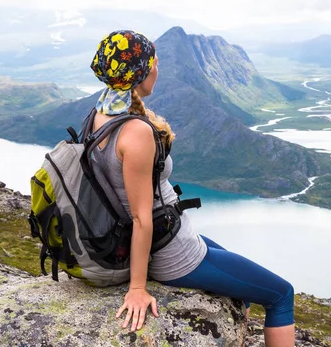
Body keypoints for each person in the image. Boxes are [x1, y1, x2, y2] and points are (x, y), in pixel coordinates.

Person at [88, 30, 295, 346]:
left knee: (241, 286)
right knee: (281, 295)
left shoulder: (100, 114)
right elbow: (142, 218)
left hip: (165, 238)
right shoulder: (135, 132)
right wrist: (138, 289)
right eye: (154, 62)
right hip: (172, 253)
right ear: (140, 71)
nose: (158, 68)